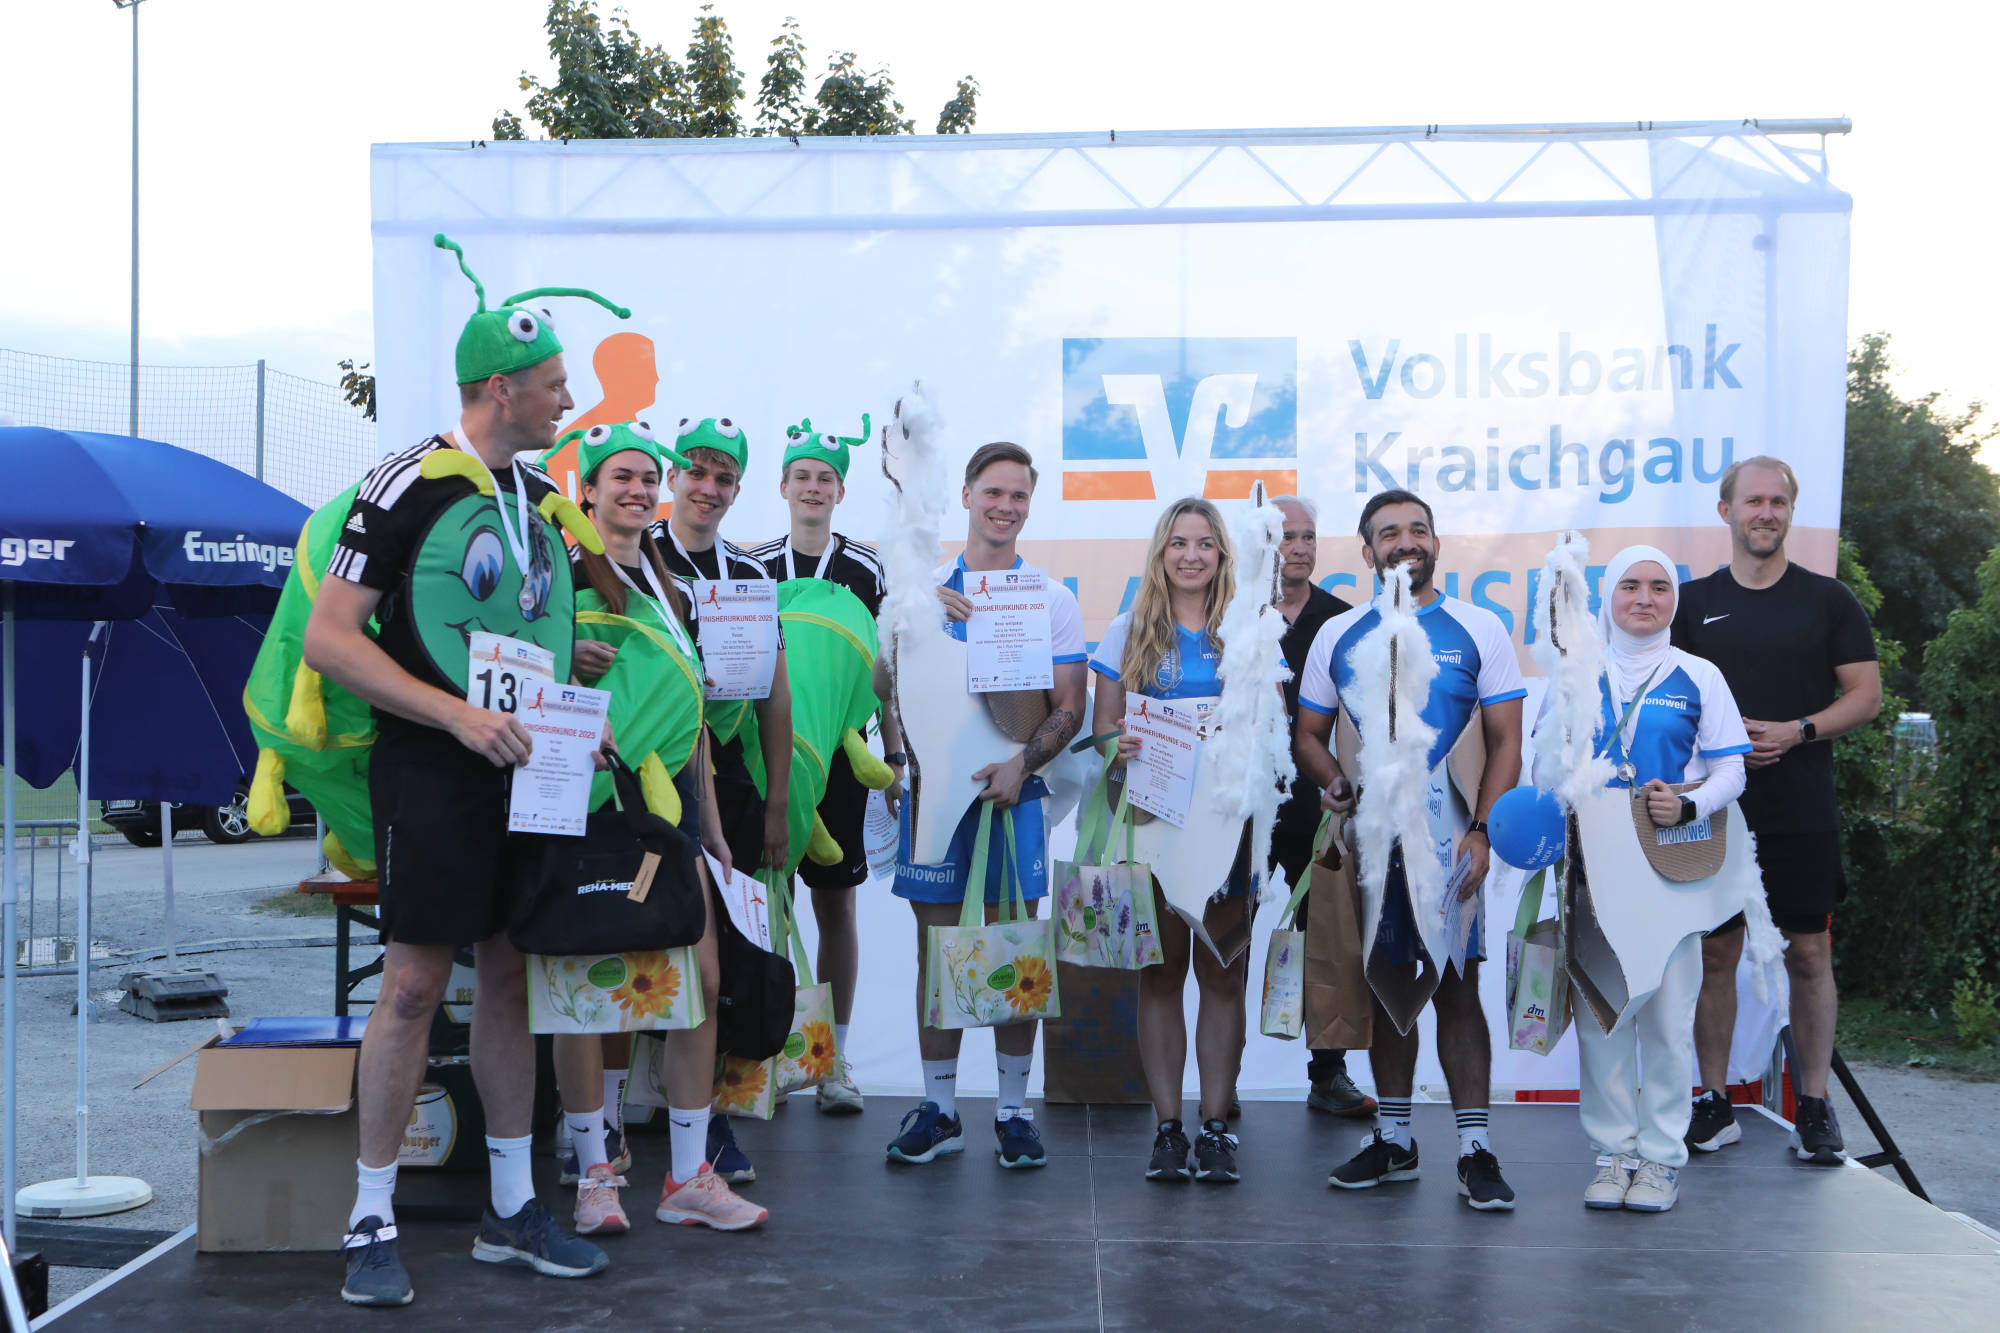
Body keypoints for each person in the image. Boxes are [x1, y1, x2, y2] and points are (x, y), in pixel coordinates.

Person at [306, 236, 622, 1305]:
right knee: (410, 984)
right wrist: (456, 716)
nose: (568, 399)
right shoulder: (405, 480)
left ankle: (511, 1208)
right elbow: (331, 640)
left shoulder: (536, 498)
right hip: (433, 767)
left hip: (526, 766)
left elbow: (502, 630)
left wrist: (566, 687)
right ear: (499, 387)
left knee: (509, 975)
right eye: (554, 384)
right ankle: (369, 1218)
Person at [553, 420, 768, 1236]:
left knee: (700, 982)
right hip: (585, 808)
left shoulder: (670, 585)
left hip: (673, 814)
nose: (639, 490)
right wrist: (562, 652)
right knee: (586, 990)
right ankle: (593, 1172)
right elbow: (510, 668)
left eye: (649, 477)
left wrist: (713, 827)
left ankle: (686, 1175)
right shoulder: (560, 573)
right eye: (622, 477)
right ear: (588, 490)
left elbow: (694, 716)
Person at [1295, 488, 1526, 1211]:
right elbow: (1309, 734)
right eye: (1389, 532)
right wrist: (1333, 781)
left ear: (1436, 543)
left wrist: (1483, 829)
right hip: (1374, 842)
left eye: (1418, 529)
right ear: (1368, 551)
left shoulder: (1479, 627)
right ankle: (1394, 1139)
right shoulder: (1339, 634)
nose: (1406, 542)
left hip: (1453, 843)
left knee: (1457, 988)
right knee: (1386, 984)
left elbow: (1506, 741)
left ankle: (1474, 1148)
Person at [883, 441, 1087, 1169]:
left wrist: (1021, 764)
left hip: (1013, 794)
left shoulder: (1051, 598)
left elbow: (1070, 706)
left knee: (1013, 947)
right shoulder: (923, 588)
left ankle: (1011, 1110)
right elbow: (885, 689)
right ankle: (940, 1109)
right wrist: (912, 622)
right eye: (993, 492)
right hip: (937, 797)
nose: (1005, 506)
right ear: (966, 495)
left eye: (1018, 495)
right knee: (936, 951)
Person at [1672, 456, 1881, 1163]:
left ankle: (1814, 1106)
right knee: (1714, 953)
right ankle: (1713, 1101)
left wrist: (1800, 730)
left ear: (1790, 511)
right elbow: (1667, 700)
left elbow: (1866, 696)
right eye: (1753, 500)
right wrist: (1719, 749)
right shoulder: (1690, 604)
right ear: (1725, 510)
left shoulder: (1829, 600)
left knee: (1810, 952)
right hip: (1717, 808)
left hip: (1801, 808)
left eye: (1778, 502)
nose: (1766, 512)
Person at [1549, 545, 1751, 1213]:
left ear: (1674, 599)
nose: (1644, 598)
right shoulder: (1577, 675)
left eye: (1659, 586)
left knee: (1667, 1020)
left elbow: (1732, 769)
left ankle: (1661, 1159)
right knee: (1603, 1017)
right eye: (1630, 585)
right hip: (1594, 873)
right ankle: (1613, 1155)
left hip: (1672, 873)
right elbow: (1543, 766)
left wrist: (1689, 805)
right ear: (1608, 596)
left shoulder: (1699, 674)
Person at [1090, 497, 1267, 1183]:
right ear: (1160, 552)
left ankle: (1216, 1127)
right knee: (1160, 974)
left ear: (1223, 555)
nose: (1191, 555)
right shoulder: (1128, 628)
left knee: (1223, 973)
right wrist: (1119, 744)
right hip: (1152, 819)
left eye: (1205, 544)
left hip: (1229, 824)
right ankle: (1168, 1128)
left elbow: (1274, 729)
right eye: (1179, 543)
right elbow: (1103, 732)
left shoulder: (1249, 629)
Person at [648, 416, 795, 1183]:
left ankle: (710, 1120)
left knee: (726, 962)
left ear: (738, 488)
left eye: (723, 477)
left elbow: (776, 694)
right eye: (696, 471)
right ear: (672, 476)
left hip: (726, 779)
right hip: (640, 774)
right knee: (625, 939)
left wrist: (775, 805)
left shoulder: (748, 574)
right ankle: (597, 1128)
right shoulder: (631, 553)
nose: (708, 488)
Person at [748, 417, 903, 1115]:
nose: (813, 487)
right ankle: (772, 1053)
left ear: (841, 491)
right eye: (802, 476)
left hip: (842, 756)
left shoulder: (867, 568)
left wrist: (894, 755)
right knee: (768, 904)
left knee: (834, 902)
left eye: (826, 478)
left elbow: (883, 674)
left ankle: (833, 1058)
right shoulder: (753, 566)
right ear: (783, 486)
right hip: (769, 758)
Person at [1264, 494, 1369, 1119]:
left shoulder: (1342, 621)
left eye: (1308, 536)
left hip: (1318, 801)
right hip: (1241, 803)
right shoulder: (1228, 612)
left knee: (1325, 935)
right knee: (1224, 943)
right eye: (1286, 536)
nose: (1299, 547)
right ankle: (1219, 1086)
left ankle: (1328, 1075)